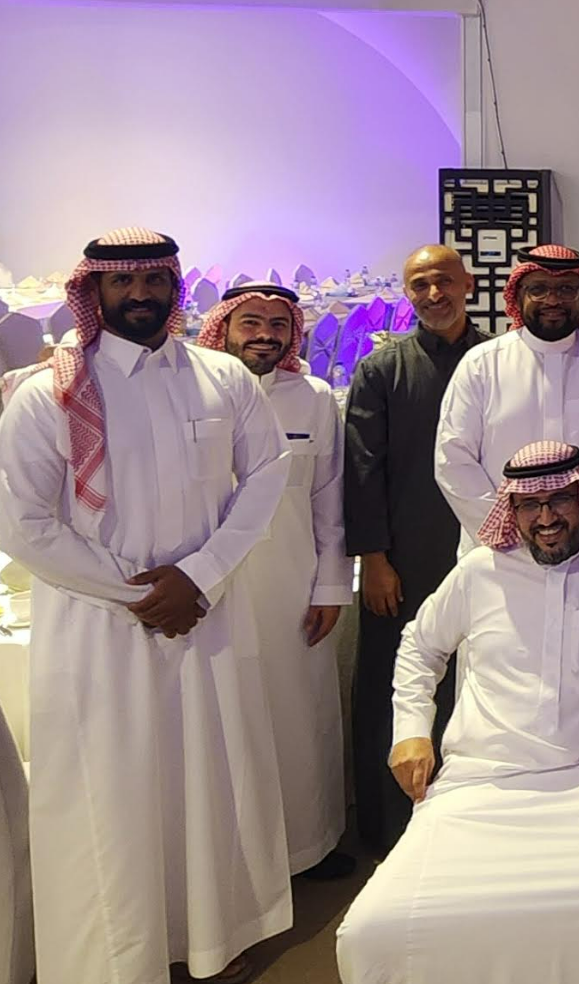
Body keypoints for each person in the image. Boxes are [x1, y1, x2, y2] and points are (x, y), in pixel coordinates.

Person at [0, 228, 291, 984]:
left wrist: (199, 576)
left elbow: (267, 474)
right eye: (122, 283)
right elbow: (26, 527)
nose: (140, 295)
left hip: (205, 617)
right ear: (93, 291)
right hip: (101, 631)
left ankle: (212, 940)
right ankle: (119, 959)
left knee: (208, 780)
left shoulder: (224, 378)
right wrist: (146, 593)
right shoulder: (47, 395)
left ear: (173, 286)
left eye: (154, 280)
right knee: (113, 793)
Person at [337, 441, 579, 984]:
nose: (546, 518)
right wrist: (411, 732)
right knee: (374, 927)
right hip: (484, 783)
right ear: (513, 508)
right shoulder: (480, 570)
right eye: (530, 505)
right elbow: (419, 647)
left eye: (559, 500)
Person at [198, 282, 354, 880]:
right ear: (224, 327)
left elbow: (328, 498)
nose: (264, 335)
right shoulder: (194, 393)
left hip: (292, 587)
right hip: (212, 592)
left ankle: (305, 849)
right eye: (250, 322)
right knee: (224, 726)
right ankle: (231, 868)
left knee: (298, 719)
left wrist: (331, 587)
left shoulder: (312, 398)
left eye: (277, 324)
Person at [345, 244, 487, 854]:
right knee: (393, 685)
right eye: (420, 285)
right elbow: (362, 470)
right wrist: (374, 560)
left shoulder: (495, 359)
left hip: (483, 554)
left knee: (472, 685)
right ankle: (389, 833)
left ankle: (462, 826)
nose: (434, 295)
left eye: (444, 282)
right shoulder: (383, 370)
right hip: (404, 558)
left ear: (468, 284)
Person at [436, 244, 579, 542]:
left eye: (566, 289)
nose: (552, 300)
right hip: (499, 546)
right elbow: (452, 459)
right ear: (518, 295)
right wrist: (510, 531)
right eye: (538, 289)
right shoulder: (482, 364)